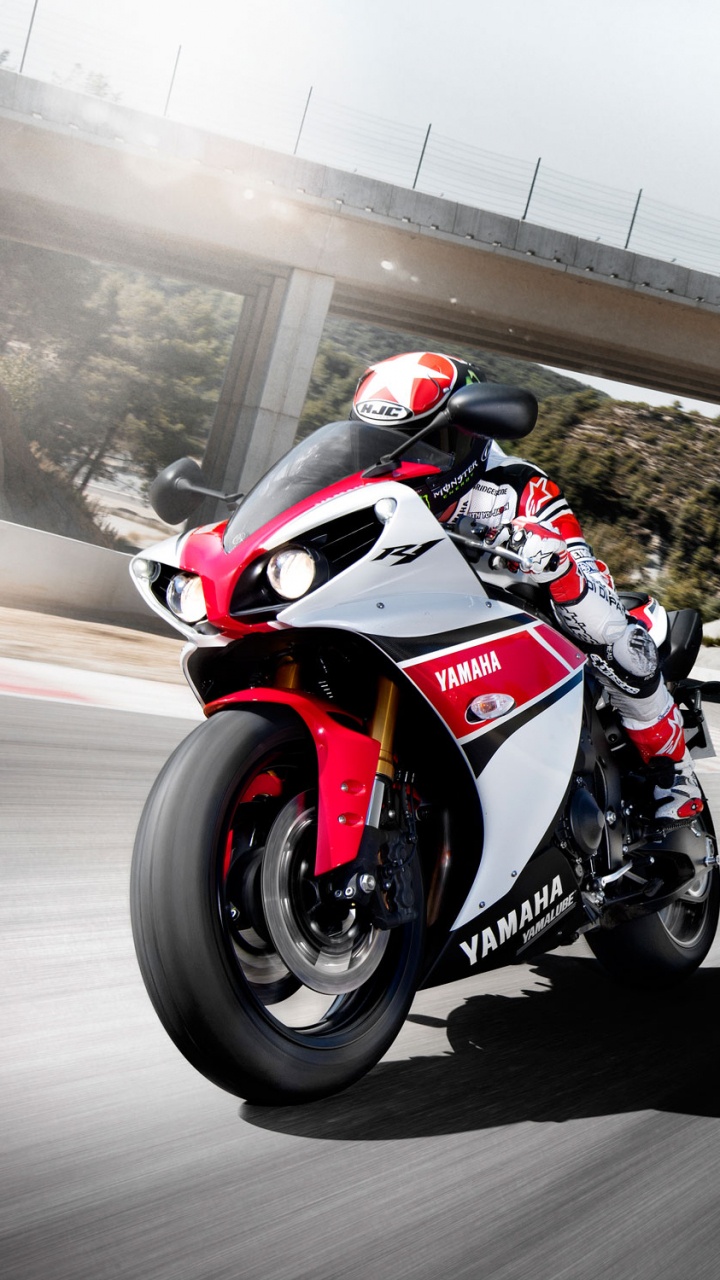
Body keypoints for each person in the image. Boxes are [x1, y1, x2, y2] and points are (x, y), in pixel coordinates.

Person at [351, 350, 703, 822]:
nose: (399, 456)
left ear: (466, 436)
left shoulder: (517, 486)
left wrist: (553, 563)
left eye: (424, 441)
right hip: (415, 625)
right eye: (380, 441)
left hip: (521, 631)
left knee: (619, 642)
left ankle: (673, 774)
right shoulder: (362, 483)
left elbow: (579, 568)